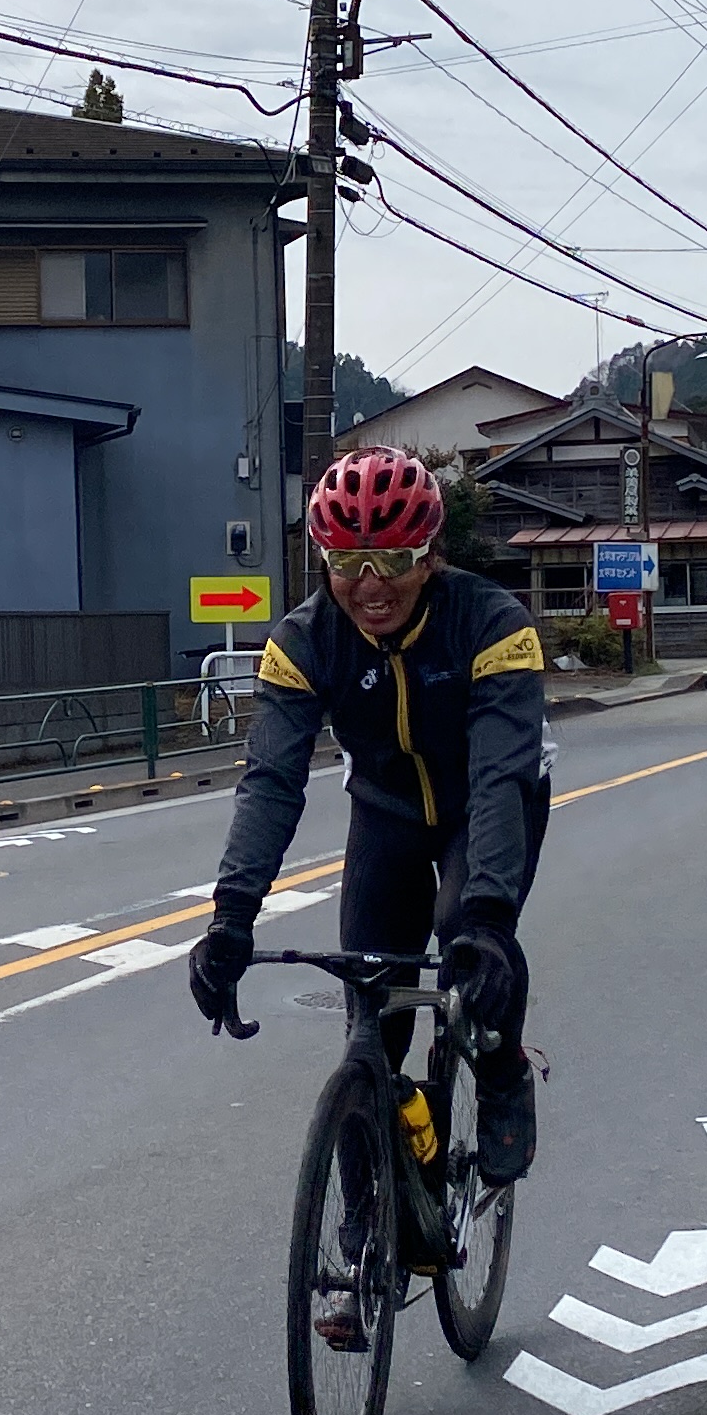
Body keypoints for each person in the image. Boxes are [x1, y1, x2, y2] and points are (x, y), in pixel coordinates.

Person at [189, 445, 551, 1190]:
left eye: (392, 558)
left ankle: (504, 1070)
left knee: (467, 935)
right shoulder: (303, 641)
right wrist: (231, 916)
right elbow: (270, 783)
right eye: (347, 560)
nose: (370, 583)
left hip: (484, 803)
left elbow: (498, 780)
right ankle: (359, 1245)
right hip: (384, 810)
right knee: (371, 1029)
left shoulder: (493, 624)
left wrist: (486, 917)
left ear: (431, 556)